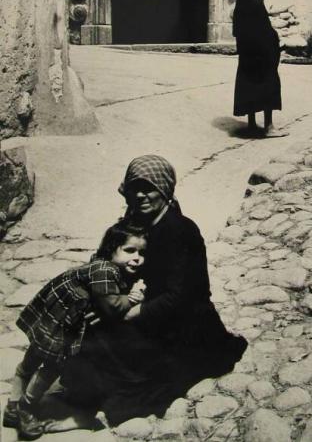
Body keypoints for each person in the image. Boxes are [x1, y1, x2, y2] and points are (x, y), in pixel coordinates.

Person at [59, 155, 247, 427]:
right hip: (140, 306)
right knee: (85, 328)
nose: (141, 195)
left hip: (182, 323)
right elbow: (105, 259)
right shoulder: (134, 220)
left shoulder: (181, 231)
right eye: (135, 188)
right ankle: (87, 395)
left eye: (150, 188)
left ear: (164, 189)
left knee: (130, 358)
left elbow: (180, 297)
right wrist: (102, 301)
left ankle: (98, 408)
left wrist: (125, 314)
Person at [4, 222, 147, 439]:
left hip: (54, 315)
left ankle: (12, 406)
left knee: (31, 358)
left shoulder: (99, 263)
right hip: (64, 323)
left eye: (142, 252)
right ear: (111, 249)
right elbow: (112, 307)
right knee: (52, 364)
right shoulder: (105, 270)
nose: (137, 258)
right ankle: (26, 407)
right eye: (130, 250)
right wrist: (132, 299)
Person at [232, 0, 287, 137]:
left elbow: (238, 34)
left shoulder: (240, 7)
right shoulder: (256, 8)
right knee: (267, 88)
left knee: (250, 88)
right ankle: (269, 127)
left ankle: (251, 124)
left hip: (247, 59)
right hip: (262, 58)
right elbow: (263, 34)